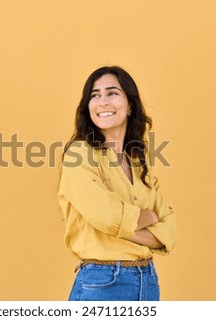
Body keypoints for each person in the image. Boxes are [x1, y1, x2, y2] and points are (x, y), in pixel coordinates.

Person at [58, 66, 177, 301]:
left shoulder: (138, 161)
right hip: (102, 281)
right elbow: (107, 217)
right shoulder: (79, 155)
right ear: (88, 107)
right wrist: (149, 218)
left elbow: (170, 231)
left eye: (112, 93)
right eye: (95, 95)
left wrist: (119, 226)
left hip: (148, 280)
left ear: (129, 105)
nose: (102, 101)